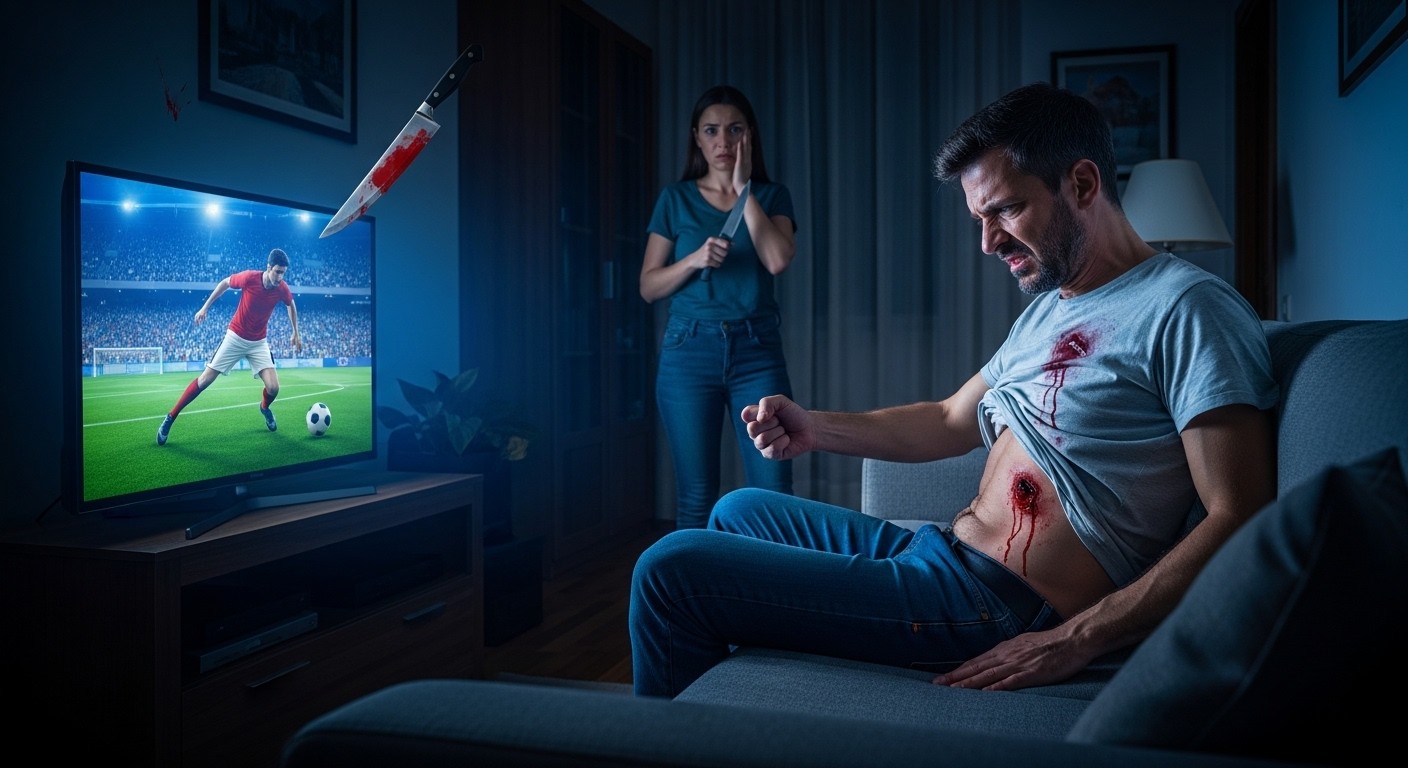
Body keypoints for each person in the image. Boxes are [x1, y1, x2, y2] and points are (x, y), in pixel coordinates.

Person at [629, 81, 1278, 699]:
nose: (989, 242)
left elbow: (1240, 515)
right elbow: (947, 419)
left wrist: (1077, 638)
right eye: (979, 218)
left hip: (992, 605)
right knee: (741, 510)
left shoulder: (1188, 309)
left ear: (1082, 183)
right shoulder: (1054, 306)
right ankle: (734, 707)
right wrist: (815, 427)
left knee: (668, 571)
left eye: (1006, 209)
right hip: (940, 552)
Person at [640, 85, 799, 529]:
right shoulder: (675, 199)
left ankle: (776, 595)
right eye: (712, 131)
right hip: (688, 350)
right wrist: (692, 259)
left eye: (734, 130)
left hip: (756, 351)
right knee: (695, 496)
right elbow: (649, 286)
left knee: (774, 494)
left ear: (749, 136)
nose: (723, 142)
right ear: (697, 138)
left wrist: (743, 190)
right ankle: (693, 597)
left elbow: (777, 259)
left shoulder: (771, 196)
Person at [157, 247, 303, 445]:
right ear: (268, 268)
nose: (279, 277)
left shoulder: (282, 288)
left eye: (283, 273)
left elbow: (290, 304)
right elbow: (225, 283)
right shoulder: (249, 278)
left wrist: (295, 331)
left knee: (274, 388)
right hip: (235, 336)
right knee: (205, 380)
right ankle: (170, 417)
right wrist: (204, 307)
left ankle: (264, 408)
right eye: (277, 271)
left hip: (258, 342)